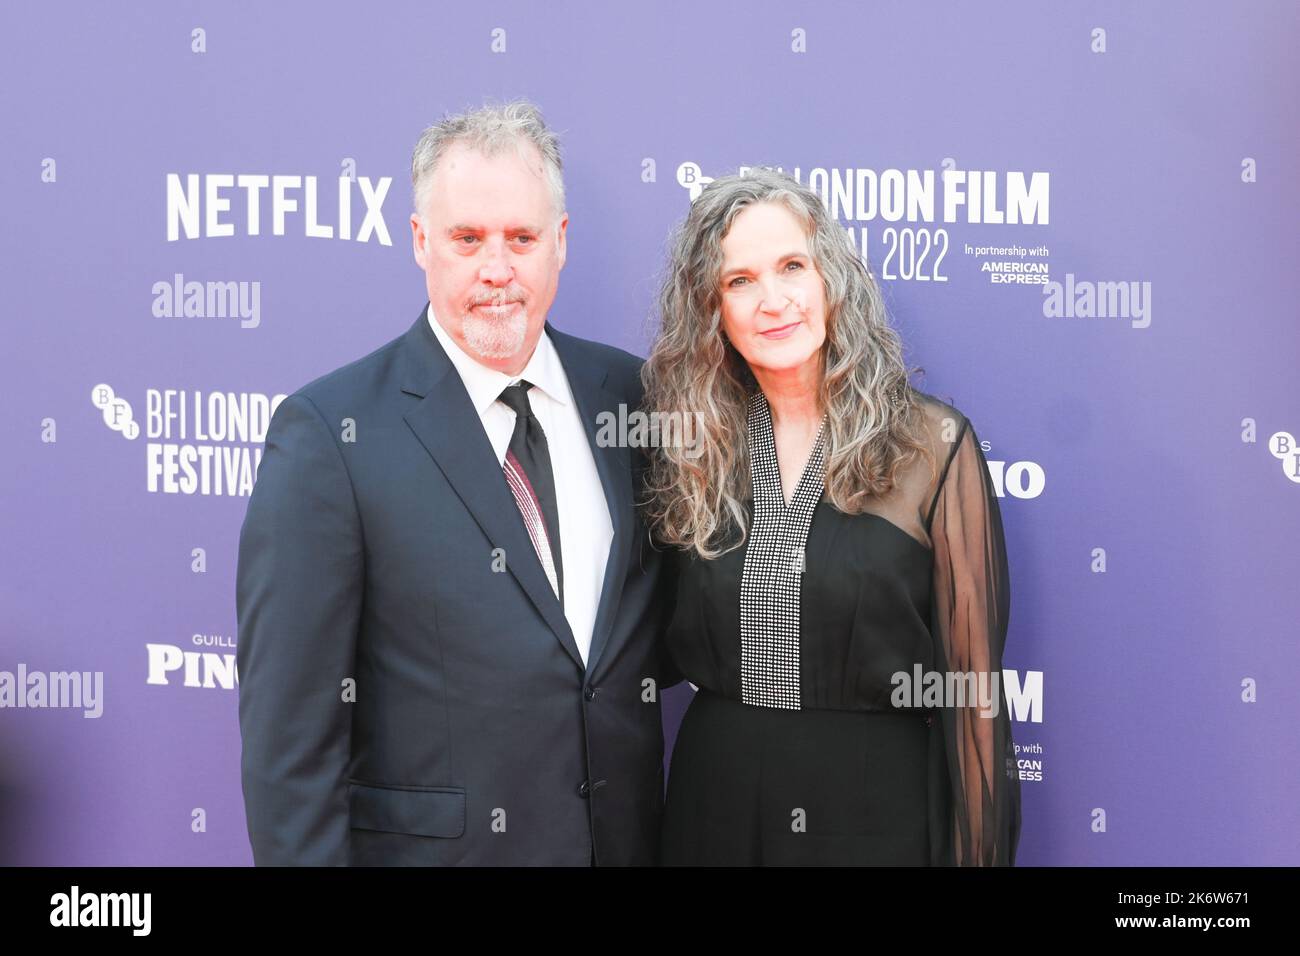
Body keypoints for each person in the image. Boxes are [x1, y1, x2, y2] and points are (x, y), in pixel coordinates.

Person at [236, 100, 673, 866]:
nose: (497, 269)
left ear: (560, 245)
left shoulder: (629, 399)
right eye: (467, 238)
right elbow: (288, 748)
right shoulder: (330, 436)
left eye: (522, 239)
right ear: (419, 242)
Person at [642, 167, 1022, 866]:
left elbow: (973, 701)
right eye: (740, 281)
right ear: (711, 311)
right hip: (712, 813)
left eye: (793, 266)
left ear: (832, 281)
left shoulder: (929, 449)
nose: (773, 300)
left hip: (877, 820)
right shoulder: (690, 449)